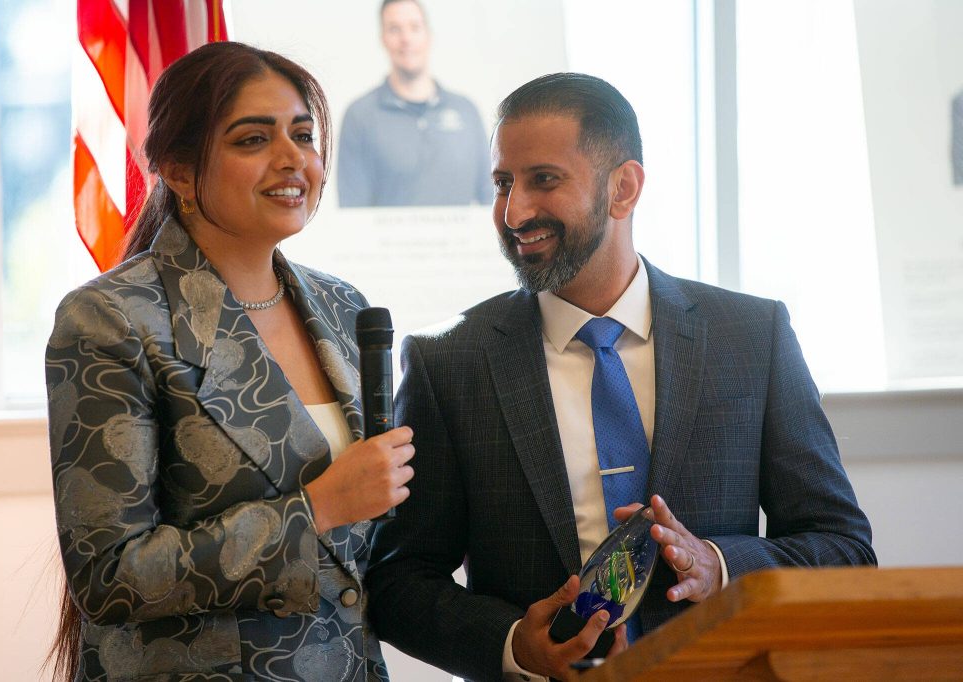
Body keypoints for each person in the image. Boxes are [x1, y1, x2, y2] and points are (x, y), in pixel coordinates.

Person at [366, 72, 876, 682]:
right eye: (503, 184)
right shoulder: (449, 360)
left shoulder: (751, 336)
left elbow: (843, 548)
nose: (515, 211)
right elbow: (399, 582)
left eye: (543, 181)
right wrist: (512, 646)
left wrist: (718, 566)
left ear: (624, 188)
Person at [45, 42, 415, 682]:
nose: (293, 158)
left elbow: (367, 546)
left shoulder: (342, 305)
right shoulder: (111, 318)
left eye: (304, 134)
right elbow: (109, 574)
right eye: (253, 139)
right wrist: (316, 509)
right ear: (179, 170)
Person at [337, 0, 492, 207]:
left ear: (429, 35)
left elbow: (490, 197)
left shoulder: (466, 112)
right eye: (394, 29)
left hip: (460, 240)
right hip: (388, 241)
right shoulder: (360, 116)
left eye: (414, 27)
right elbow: (353, 210)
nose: (406, 39)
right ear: (383, 39)